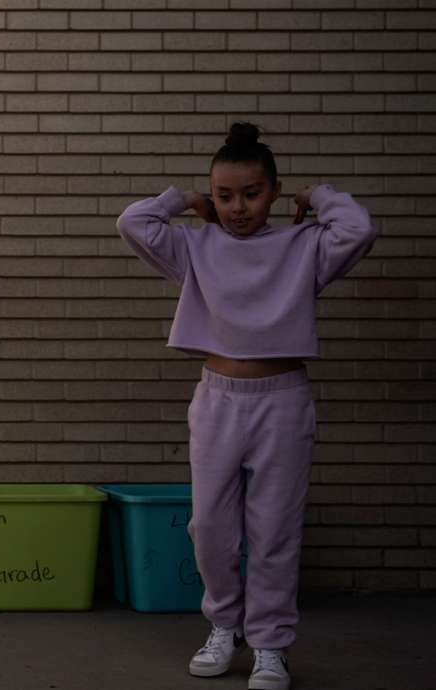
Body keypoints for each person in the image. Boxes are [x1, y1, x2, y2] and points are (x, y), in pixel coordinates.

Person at [116, 122, 376, 690]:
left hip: (282, 402)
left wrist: (321, 197)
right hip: (217, 399)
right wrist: (180, 202)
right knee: (209, 525)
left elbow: (358, 227)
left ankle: (271, 644)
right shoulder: (196, 247)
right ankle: (222, 627)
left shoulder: (304, 247)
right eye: (225, 195)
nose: (238, 207)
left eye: (252, 193)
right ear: (212, 195)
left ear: (275, 191)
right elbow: (133, 222)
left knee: (274, 529)